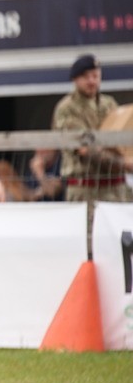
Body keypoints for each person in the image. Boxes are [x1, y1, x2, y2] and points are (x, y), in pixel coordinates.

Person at [51, 54, 133, 256]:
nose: (92, 81)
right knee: (88, 247)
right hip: (86, 188)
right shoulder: (67, 108)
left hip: (116, 188)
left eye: (96, 75)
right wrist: (124, 163)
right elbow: (84, 149)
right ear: (75, 79)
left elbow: (120, 138)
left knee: (119, 244)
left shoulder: (109, 104)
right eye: (86, 76)